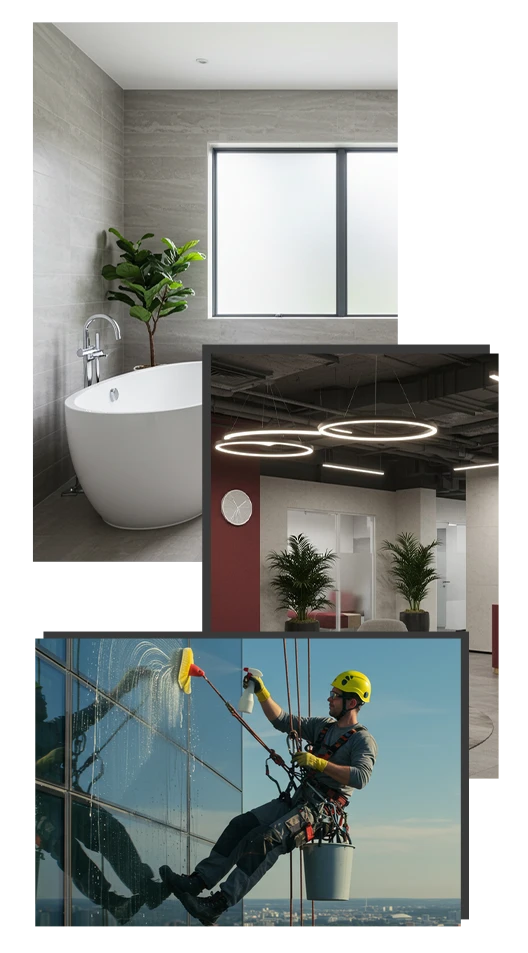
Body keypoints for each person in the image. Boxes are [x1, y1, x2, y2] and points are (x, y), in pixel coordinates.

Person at [160, 668, 378, 927]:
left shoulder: (362, 740)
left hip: (321, 811)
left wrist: (317, 763)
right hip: (299, 801)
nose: (329, 699)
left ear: (351, 703)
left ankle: (217, 905)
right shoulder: (323, 727)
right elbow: (282, 720)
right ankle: (198, 882)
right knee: (241, 825)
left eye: (335, 695)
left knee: (268, 839)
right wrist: (262, 692)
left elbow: (360, 777)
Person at [33, 667, 172, 926]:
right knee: (70, 852)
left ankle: (145, 886)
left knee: (109, 829)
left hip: (62, 802)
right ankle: (112, 902)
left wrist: (122, 687)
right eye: (38, 697)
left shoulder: (51, 730)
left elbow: (89, 715)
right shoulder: (49, 733)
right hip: (38, 811)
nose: (45, 701)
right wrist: (44, 762)